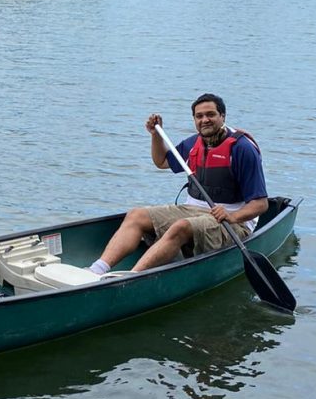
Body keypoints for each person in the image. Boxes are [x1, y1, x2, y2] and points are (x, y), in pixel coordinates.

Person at [89, 94, 269, 275]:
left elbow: (261, 204)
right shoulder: (194, 143)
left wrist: (233, 216)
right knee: (136, 215)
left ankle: (130, 278)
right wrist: (156, 135)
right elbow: (161, 162)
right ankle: (96, 270)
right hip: (192, 210)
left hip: (233, 223)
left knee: (180, 227)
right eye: (199, 116)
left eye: (210, 114)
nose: (204, 120)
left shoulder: (242, 149)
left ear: (222, 116)